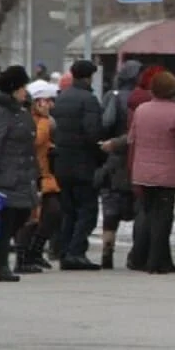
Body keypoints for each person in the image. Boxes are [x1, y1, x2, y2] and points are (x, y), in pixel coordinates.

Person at [127, 71, 175, 274]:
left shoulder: (141, 110)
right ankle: (157, 262)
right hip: (166, 175)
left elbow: (132, 137)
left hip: (142, 173)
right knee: (163, 219)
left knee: (148, 215)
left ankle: (148, 258)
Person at [0, 66, 38, 283]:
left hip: (23, 174)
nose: (25, 92)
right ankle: (1, 266)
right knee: (7, 220)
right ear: (13, 89)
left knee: (22, 215)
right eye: (22, 88)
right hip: (5, 175)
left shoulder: (19, 109)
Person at [50, 59, 105, 271]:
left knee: (68, 211)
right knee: (87, 211)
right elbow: (93, 132)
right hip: (83, 163)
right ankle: (76, 252)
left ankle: (64, 251)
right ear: (89, 76)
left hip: (62, 163)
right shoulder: (89, 100)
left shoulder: (61, 98)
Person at [96, 60, 142, 269]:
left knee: (111, 208)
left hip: (113, 157)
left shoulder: (111, 97)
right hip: (137, 158)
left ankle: (108, 251)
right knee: (139, 206)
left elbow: (104, 125)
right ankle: (136, 253)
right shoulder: (143, 98)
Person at [15, 79, 60, 273]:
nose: (51, 105)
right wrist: (44, 121)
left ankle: (35, 251)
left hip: (44, 174)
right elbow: (35, 140)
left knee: (53, 212)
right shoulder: (33, 119)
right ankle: (22, 257)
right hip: (32, 174)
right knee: (32, 217)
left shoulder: (44, 120)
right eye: (47, 100)